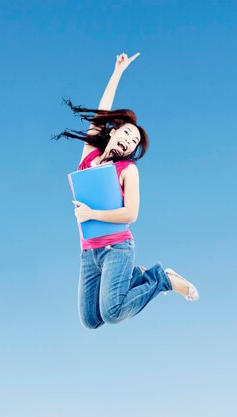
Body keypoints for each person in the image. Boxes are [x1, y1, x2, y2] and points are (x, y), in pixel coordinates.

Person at [52, 52, 199, 330]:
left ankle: (161, 278)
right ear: (115, 132)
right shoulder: (89, 155)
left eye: (134, 143)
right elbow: (102, 111)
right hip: (89, 251)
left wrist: (92, 213)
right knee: (91, 320)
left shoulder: (127, 171)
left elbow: (131, 213)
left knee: (113, 313)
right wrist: (117, 71)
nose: (129, 141)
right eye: (127, 134)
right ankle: (136, 276)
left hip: (117, 247)